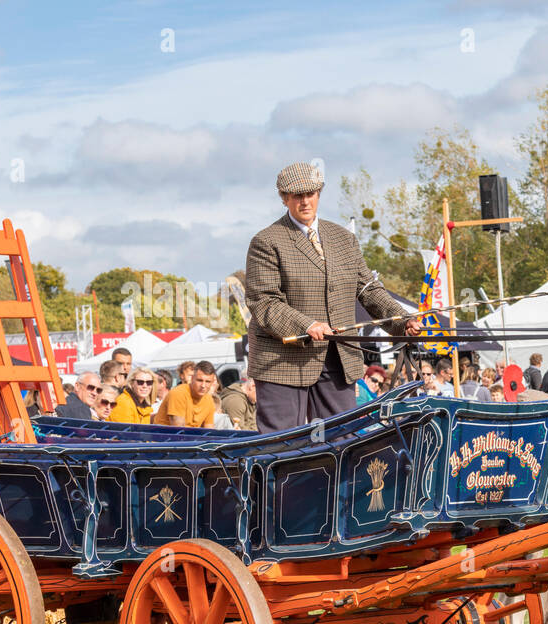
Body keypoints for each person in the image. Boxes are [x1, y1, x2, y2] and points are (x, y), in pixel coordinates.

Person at [245, 161, 420, 434]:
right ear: (283, 198)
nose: (305, 201)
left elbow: (368, 289)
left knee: (346, 440)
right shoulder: (266, 241)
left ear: (319, 193)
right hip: (282, 361)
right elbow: (264, 302)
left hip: (339, 358)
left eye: (311, 193)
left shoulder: (343, 238)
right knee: (281, 446)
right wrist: (306, 325)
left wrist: (402, 321)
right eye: (297, 195)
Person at [154, 361, 217, 428]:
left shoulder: (209, 400)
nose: (203, 385)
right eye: (199, 380)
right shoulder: (179, 393)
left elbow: (209, 430)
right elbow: (178, 430)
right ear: (192, 379)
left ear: (212, 382)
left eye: (208, 382)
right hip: (164, 437)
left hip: (189, 437)